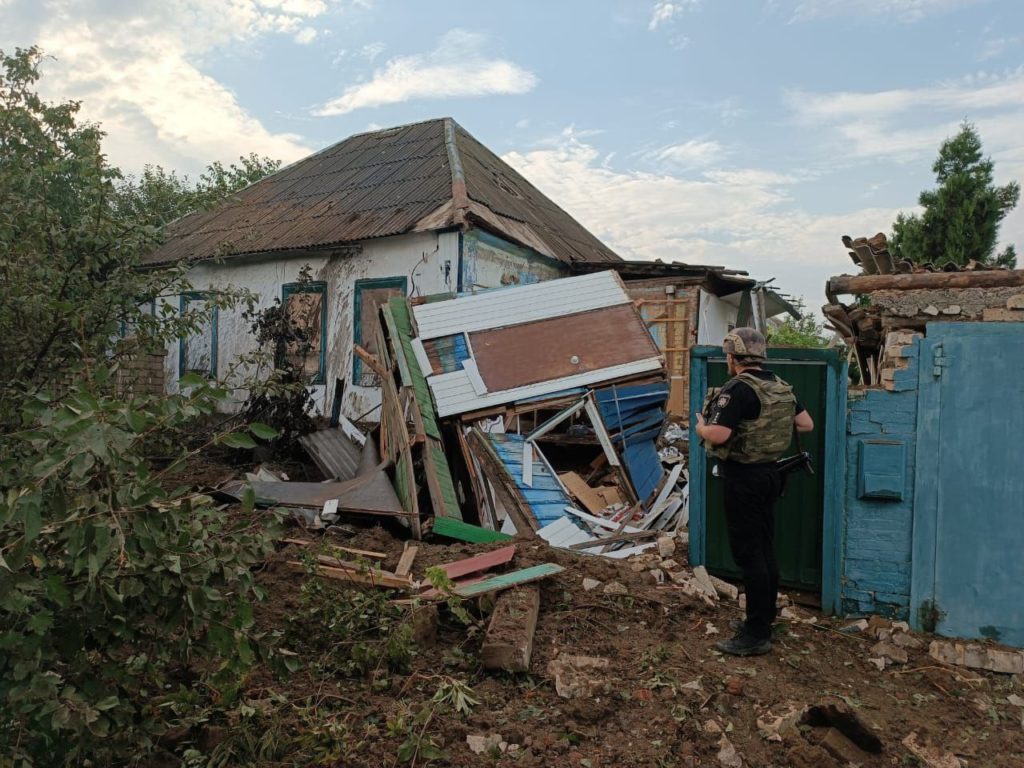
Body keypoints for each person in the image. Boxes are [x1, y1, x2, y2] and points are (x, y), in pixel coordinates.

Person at [693, 328, 814, 656]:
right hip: (770, 476)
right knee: (764, 548)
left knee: (749, 553)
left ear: (732, 358)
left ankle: (756, 634)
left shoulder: (738, 389)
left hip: (744, 480)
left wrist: (700, 426)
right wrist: (769, 430)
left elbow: (718, 434)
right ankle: (762, 618)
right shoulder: (780, 386)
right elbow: (806, 424)